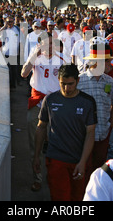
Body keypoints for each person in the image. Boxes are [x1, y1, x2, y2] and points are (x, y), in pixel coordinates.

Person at [33, 64, 97, 201]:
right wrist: (36, 155)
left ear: (78, 81)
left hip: (78, 161)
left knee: (78, 198)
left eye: (70, 84)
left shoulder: (88, 102)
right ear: (58, 80)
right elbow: (41, 127)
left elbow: (90, 133)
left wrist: (83, 161)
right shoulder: (50, 100)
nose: (67, 88)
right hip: (56, 160)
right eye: (63, 84)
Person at [21, 34, 67, 192]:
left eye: (50, 44)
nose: (48, 47)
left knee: (57, 144)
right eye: (44, 44)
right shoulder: (35, 56)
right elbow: (24, 73)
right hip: (37, 103)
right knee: (35, 145)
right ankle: (37, 177)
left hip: (56, 105)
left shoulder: (61, 59)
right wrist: (35, 55)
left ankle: (54, 176)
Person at [78, 37, 113, 176]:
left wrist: (110, 124)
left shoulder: (109, 80)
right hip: (82, 136)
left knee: (98, 171)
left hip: (103, 135)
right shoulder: (79, 80)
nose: (111, 63)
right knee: (84, 169)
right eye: (108, 60)